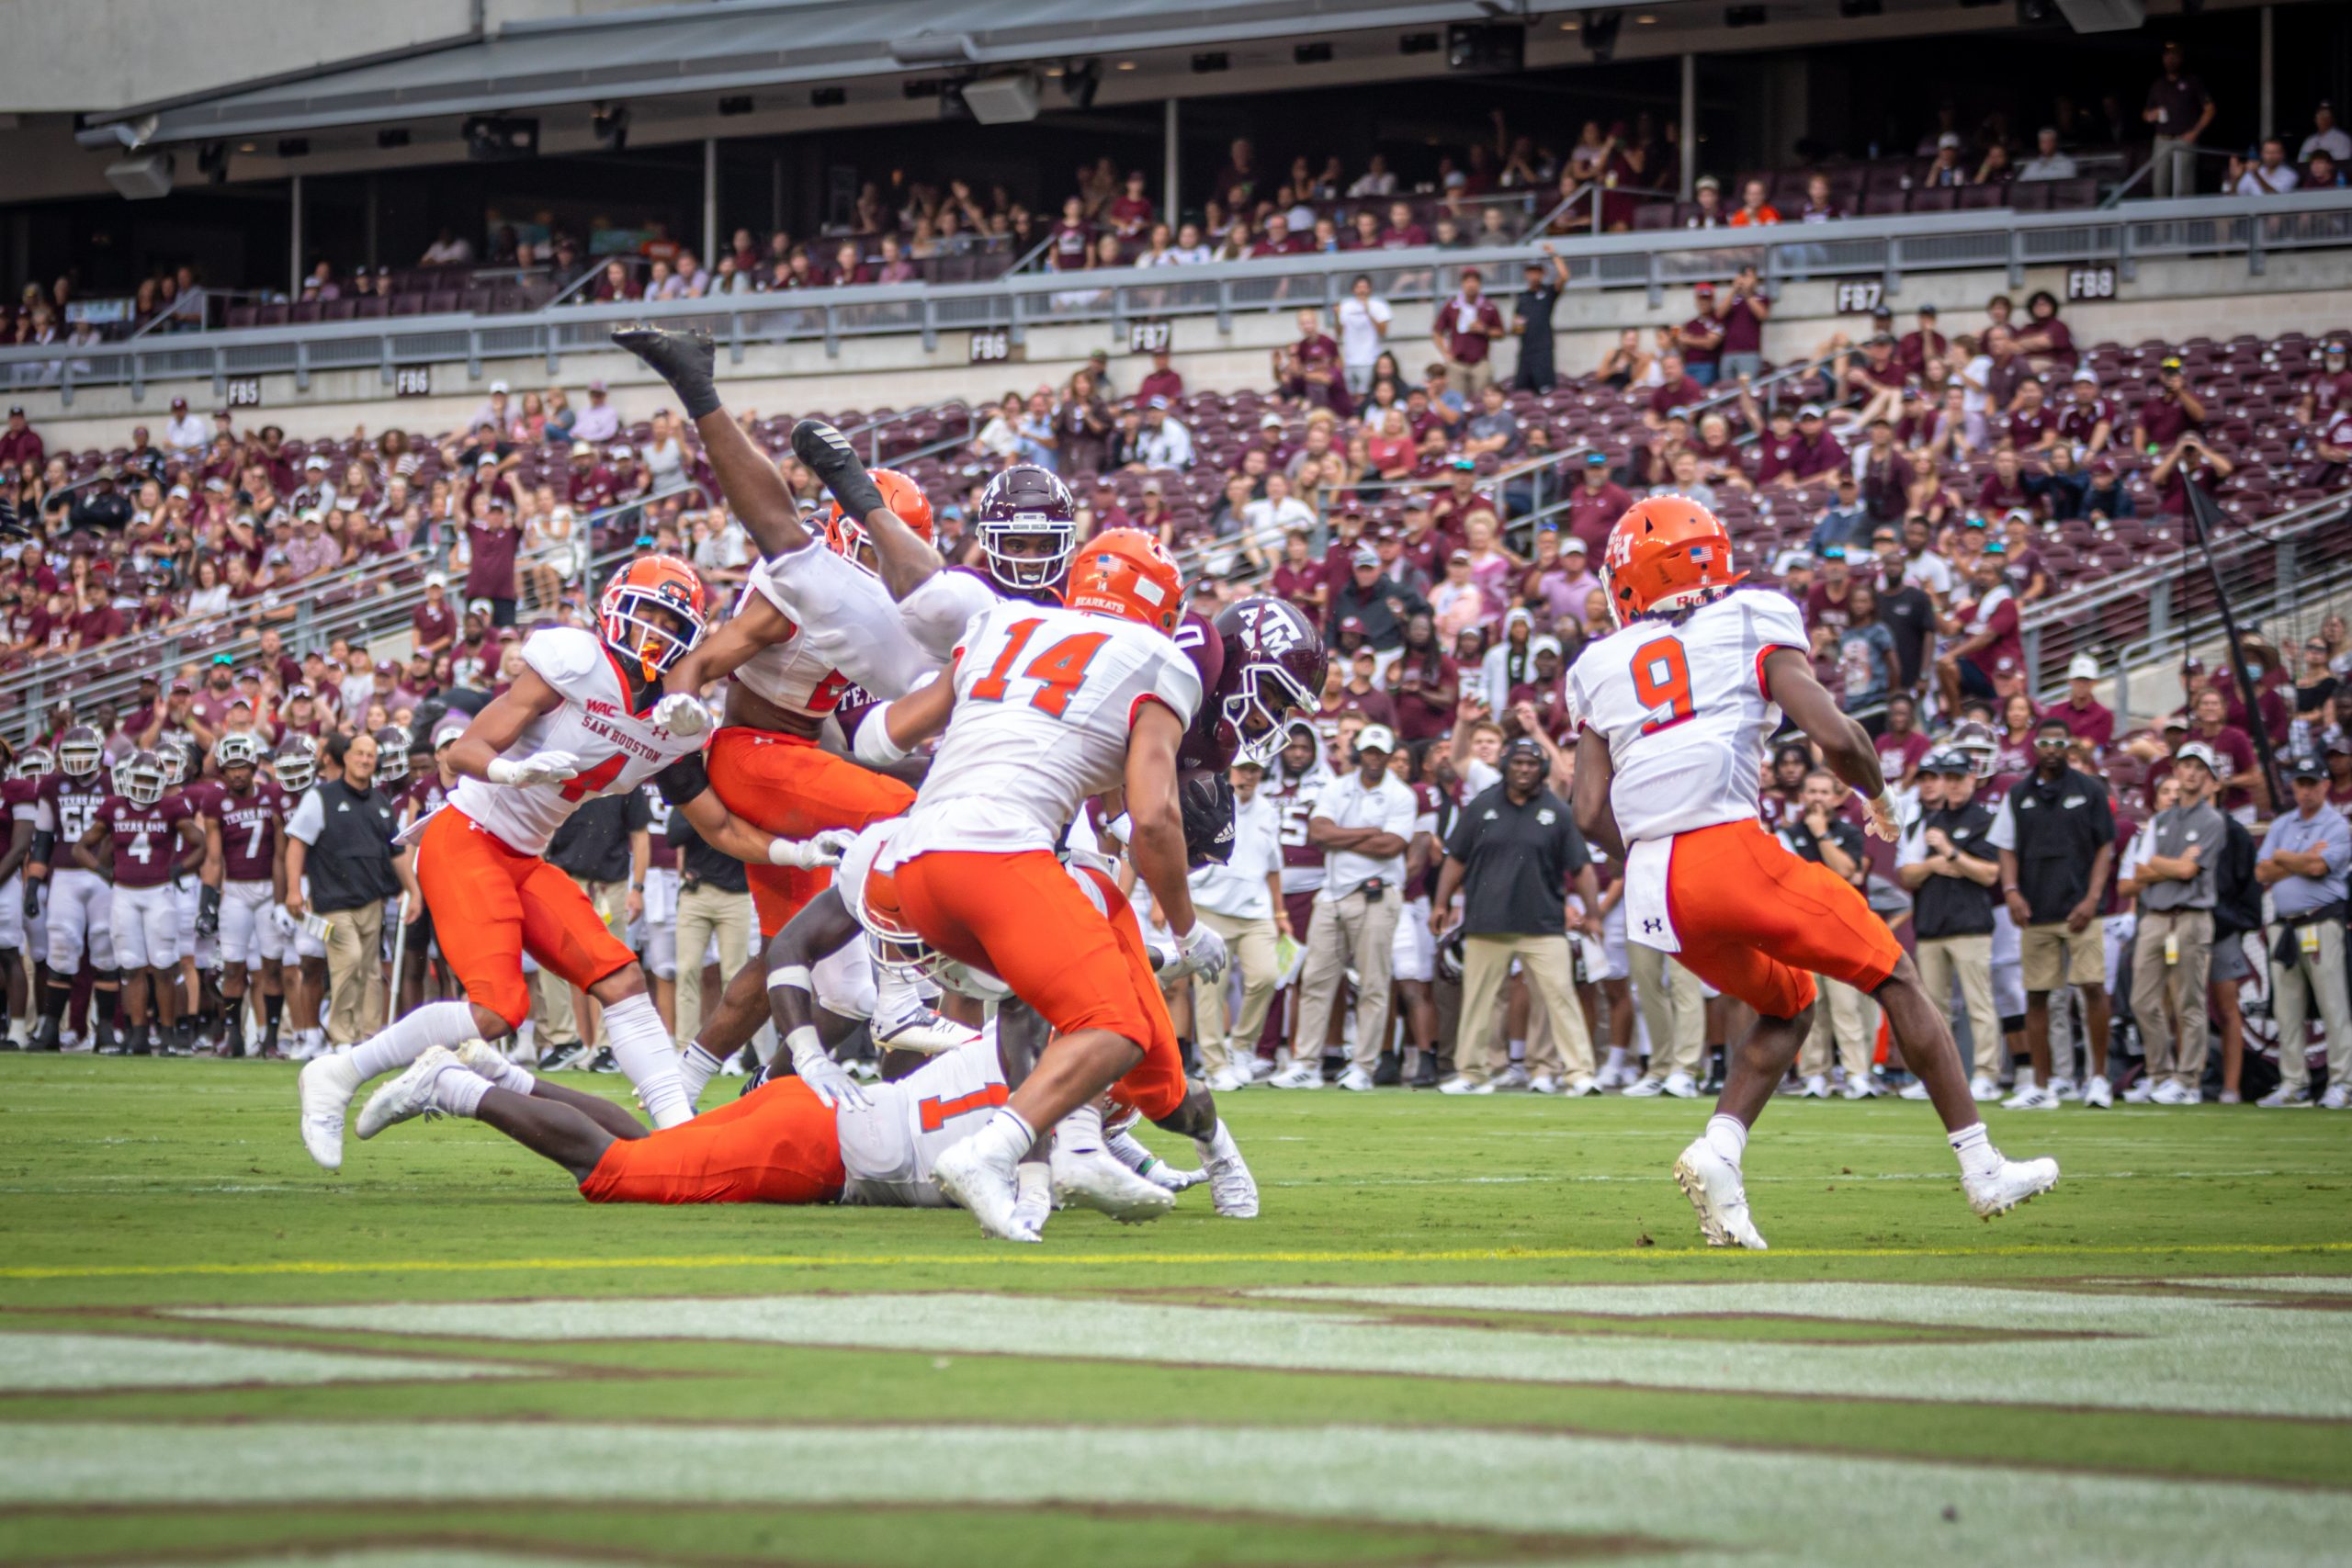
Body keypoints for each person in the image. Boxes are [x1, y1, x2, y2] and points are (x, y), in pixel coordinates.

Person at [1566, 497, 2057, 1250]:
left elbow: (1590, 807)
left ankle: (1720, 1153)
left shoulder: (1597, 664)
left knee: (1789, 1001)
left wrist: (1652, 843)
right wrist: (1882, 800)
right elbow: (1837, 733)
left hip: (1654, 886)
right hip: (1727, 849)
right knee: (1895, 976)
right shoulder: (1752, 615)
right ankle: (1981, 1163)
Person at [294, 555, 842, 1172]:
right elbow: (466, 750)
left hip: (526, 858)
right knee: (498, 1009)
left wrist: (794, 849)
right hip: (468, 833)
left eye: (672, 619)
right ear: (615, 610)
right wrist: (511, 769)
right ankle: (337, 1071)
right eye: (649, 612)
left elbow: (717, 824)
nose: (658, 630)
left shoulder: (676, 723)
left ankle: (682, 1138)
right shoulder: (575, 662)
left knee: (623, 981)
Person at [823, 529, 1255, 1241]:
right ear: (1159, 605)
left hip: (915, 871)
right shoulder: (1158, 658)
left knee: (1091, 997)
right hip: (996, 858)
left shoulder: (1004, 620)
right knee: (1115, 1025)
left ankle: (1070, 1157)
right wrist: (1185, 926)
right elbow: (1153, 815)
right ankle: (991, 1153)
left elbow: (884, 735)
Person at [613, 327, 949, 1089]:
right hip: (757, 758)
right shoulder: (801, 592)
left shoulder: (868, 608)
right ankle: (906, 993)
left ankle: (687, 1087)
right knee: (910, 816)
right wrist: (681, 709)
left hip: (791, 768)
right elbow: (700, 660)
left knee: (792, 958)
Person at [1431, 735, 1600, 1096]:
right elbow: (1455, 858)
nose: (1524, 770)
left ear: (1541, 770)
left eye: (1531, 764)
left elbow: (1582, 867)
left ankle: (1579, 1073)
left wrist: (1595, 914)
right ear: (1506, 765)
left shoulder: (1557, 810)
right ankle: (1472, 1073)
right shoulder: (1480, 806)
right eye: (1518, 763)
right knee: (1478, 999)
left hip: (1543, 923)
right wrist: (1440, 903)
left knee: (1561, 996)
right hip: (1486, 922)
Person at [1274, 723, 1417, 1091]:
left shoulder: (1401, 795)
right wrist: (1368, 831)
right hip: (1333, 894)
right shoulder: (1337, 787)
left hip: (1377, 895)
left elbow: (1392, 846)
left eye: (1379, 753)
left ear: (1388, 756)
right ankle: (1305, 1062)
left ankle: (1363, 1067)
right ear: (1360, 753)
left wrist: (1343, 838)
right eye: (1368, 751)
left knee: (1373, 983)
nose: (1373, 758)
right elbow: (1318, 833)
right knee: (1317, 980)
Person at [1989, 718, 2116, 1109]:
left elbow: (2105, 848)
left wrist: (2093, 898)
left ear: (2068, 745)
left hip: (2081, 908)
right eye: (2044, 742)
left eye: (2058, 742)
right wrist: (2011, 891)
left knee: (2092, 987)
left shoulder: (2090, 789)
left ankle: (2098, 1079)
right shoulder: (2019, 794)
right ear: (2035, 746)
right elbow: (2005, 846)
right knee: (2037, 995)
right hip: (2037, 907)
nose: (2051, 749)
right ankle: (2042, 1086)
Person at [283, 729, 410, 1057]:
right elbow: (297, 843)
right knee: (349, 960)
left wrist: (414, 890)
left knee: (370, 969)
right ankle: (341, 1036)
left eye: (371, 755)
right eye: (359, 754)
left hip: (373, 899)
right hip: (334, 900)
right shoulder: (321, 796)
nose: (365, 760)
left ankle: (368, 1035)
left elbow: (397, 853)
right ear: (347, 758)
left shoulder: (382, 803)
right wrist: (294, 889)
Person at [74, 750, 203, 1057]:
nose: (144, 785)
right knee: (130, 966)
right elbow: (81, 848)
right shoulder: (114, 807)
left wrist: (180, 869)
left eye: (150, 779)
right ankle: (138, 1035)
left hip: (159, 892)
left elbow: (201, 844)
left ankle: (169, 1034)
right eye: (140, 778)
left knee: (163, 965)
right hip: (124, 894)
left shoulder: (171, 806)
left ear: (161, 782)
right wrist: (103, 871)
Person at [2124, 742, 2224, 1105]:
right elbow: (2140, 869)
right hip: (2155, 916)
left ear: (2210, 776)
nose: (2191, 772)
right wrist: (2171, 864)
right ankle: (2159, 1073)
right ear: (2176, 771)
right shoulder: (2161, 819)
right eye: (2186, 765)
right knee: (2142, 1000)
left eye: (2199, 767)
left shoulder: (2212, 820)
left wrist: (2162, 865)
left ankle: (2188, 1080)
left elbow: (2186, 871)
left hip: (2191, 917)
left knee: (2189, 1002)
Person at [2256, 753, 2352, 1108]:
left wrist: (2283, 857)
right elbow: (2263, 873)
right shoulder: (2283, 823)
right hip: (2286, 925)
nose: (2306, 791)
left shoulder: (2336, 826)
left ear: (2326, 785)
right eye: (2301, 783)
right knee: (2287, 1009)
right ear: (2293, 786)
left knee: (2333, 1005)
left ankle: (2344, 1082)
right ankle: (2293, 1083)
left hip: (2321, 921)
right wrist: (2294, 858)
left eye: (2313, 784)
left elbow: (2317, 867)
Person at [1779, 769, 1881, 1100]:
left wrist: (1821, 835)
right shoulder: (1787, 834)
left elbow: (1848, 872)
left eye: (1825, 792)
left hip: (1840, 931)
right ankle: (1814, 1075)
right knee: (1812, 1006)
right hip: (1801, 931)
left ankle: (1857, 1074)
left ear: (1836, 798)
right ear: (1803, 796)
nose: (1818, 797)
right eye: (1812, 791)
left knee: (1846, 1006)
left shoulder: (1849, 833)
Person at [1188, 758, 1287, 1092]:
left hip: (1257, 911)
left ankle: (1242, 1047)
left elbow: (1274, 865)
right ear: (1229, 770)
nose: (1248, 776)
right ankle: (1215, 1065)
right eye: (1244, 769)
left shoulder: (1268, 811)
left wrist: (1280, 912)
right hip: (1210, 907)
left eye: (1255, 771)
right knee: (1209, 990)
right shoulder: (1210, 796)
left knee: (1267, 976)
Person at [196, 731, 289, 1058]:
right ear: (222, 769)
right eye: (231, 767)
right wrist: (207, 900)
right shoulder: (214, 801)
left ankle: (270, 1038)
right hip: (234, 890)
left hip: (267, 887)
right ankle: (233, 1036)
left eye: (242, 766)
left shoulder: (272, 795)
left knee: (272, 967)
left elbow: (280, 854)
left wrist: (281, 901)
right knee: (233, 968)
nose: (237, 773)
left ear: (253, 766)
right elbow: (213, 857)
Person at [28, 726, 120, 1053]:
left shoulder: (112, 783)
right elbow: (42, 837)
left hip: (100, 876)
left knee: (105, 946)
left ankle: (106, 1030)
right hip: (65, 873)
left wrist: (108, 867)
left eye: (85, 753)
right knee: (61, 948)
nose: (79, 760)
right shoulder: (51, 785)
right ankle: (51, 1027)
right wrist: (33, 883)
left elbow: (117, 831)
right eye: (73, 754)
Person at [1511, 245, 1568, 394]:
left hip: (1543, 350)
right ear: (1526, 274)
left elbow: (1564, 277)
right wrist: (1516, 326)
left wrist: (1554, 255)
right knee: (1522, 391)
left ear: (1543, 273)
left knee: (1546, 390)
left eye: (1537, 271)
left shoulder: (1548, 292)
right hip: (1526, 351)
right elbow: (1516, 325)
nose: (1534, 275)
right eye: (1531, 272)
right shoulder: (1522, 297)